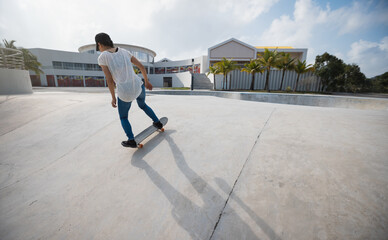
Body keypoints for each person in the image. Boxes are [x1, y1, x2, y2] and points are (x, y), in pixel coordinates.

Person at [95, 33, 163, 148]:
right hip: (138, 86)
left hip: (125, 92)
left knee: (123, 117)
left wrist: (112, 98)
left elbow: (109, 80)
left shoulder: (103, 57)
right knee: (143, 105)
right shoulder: (124, 51)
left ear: (99, 44)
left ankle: (131, 139)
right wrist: (146, 82)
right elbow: (141, 66)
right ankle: (158, 122)